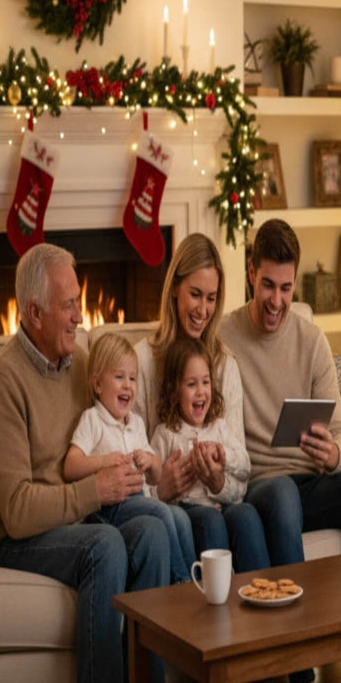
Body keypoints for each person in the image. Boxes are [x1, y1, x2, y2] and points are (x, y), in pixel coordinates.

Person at [0, 243, 170, 683]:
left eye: (79, 303)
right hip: (23, 542)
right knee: (105, 545)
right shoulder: (3, 383)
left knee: (155, 531)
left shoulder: (82, 360)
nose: (79, 317)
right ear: (31, 312)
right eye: (68, 306)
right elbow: (14, 510)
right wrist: (92, 490)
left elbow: (117, 410)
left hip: (88, 517)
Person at [221, 218, 341, 683]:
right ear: (251, 273)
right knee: (282, 496)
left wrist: (334, 453)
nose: (276, 301)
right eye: (268, 285)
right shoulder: (225, 337)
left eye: (286, 289)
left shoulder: (311, 340)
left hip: (310, 480)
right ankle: (302, 681)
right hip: (259, 486)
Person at [133, 233, 269, 572]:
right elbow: (129, 460)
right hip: (172, 504)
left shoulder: (224, 365)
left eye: (211, 298)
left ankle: (270, 614)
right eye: (195, 294)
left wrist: (219, 481)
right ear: (175, 288)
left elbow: (241, 471)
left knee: (248, 516)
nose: (203, 309)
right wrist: (161, 487)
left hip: (218, 499)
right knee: (208, 524)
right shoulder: (141, 362)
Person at [64, 332, 195, 585]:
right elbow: (70, 466)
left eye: (133, 378)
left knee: (180, 518)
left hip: (140, 502)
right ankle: (184, 583)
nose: (128, 386)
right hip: (107, 508)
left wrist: (151, 461)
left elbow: (156, 478)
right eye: (119, 377)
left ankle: (194, 575)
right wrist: (104, 461)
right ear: (98, 385)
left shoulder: (136, 423)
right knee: (162, 513)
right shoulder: (93, 420)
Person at [150, 338, 253, 526]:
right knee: (210, 520)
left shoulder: (219, 428)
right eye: (191, 384)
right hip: (189, 512)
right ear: (174, 390)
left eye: (205, 382)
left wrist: (223, 454)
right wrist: (163, 489)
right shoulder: (165, 434)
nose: (200, 391)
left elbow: (246, 466)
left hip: (222, 504)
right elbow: (149, 485)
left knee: (247, 514)